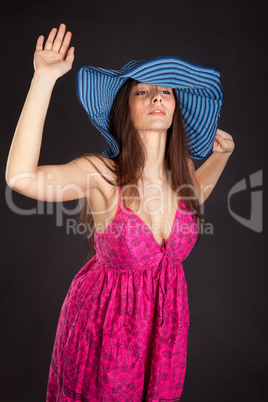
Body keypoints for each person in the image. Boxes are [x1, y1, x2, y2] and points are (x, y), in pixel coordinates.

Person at [5, 23, 235, 401]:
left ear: (176, 106)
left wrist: (222, 156)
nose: (157, 97)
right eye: (142, 91)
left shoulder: (183, 179)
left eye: (165, 91)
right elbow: (21, 177)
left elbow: (194, 198)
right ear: (125, 108)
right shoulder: (102, 175)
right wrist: (43, 79)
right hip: (103, 331)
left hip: (164, 335)